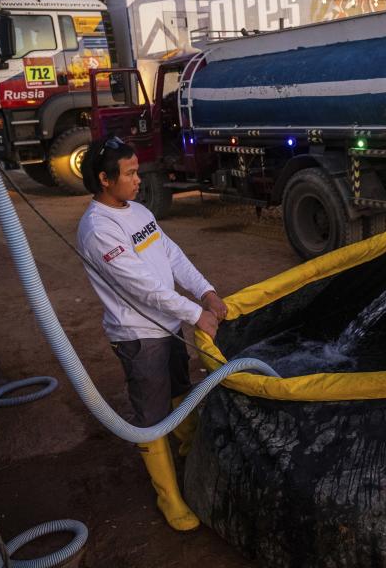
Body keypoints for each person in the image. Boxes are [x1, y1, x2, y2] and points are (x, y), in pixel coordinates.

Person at [76, 137, 227, 532]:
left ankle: (188, 448)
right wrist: (196, 313)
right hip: (138, 337)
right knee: (151, 414)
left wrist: (206, 290)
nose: (138, 179)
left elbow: (172, 255)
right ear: (105, 180)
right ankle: (169, 497)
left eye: (136, 171)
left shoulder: (139, 210)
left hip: (169, 325)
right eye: (129, 173)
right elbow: (141, 286)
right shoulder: (98, 229)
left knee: (180, 388)